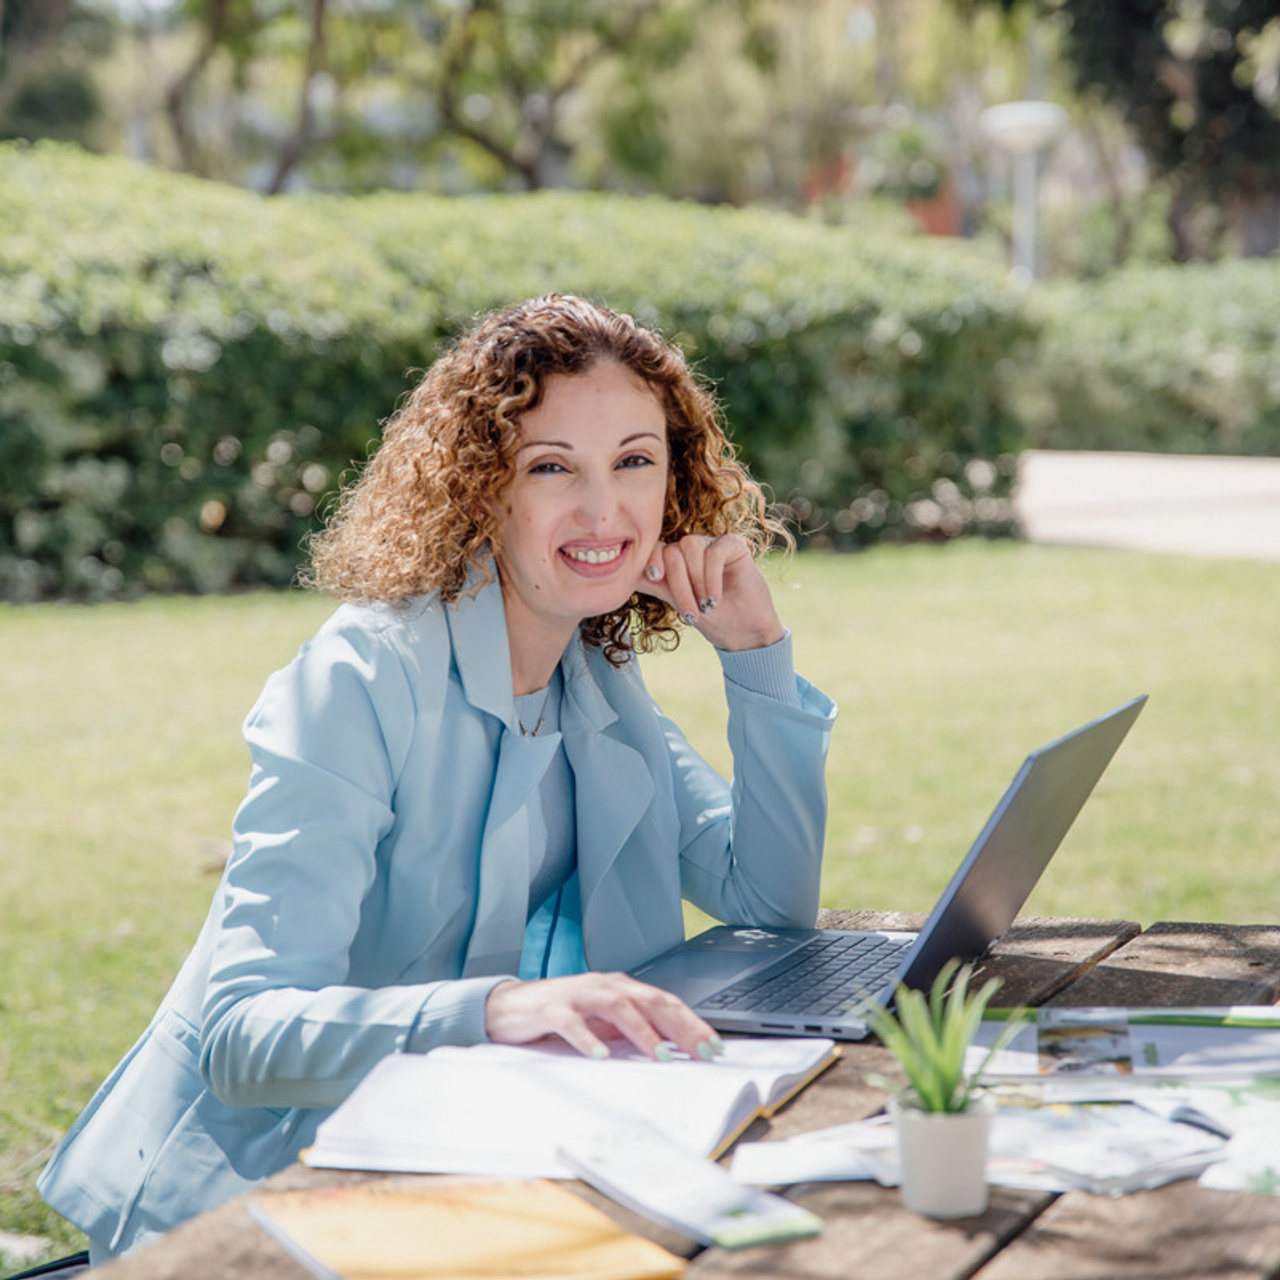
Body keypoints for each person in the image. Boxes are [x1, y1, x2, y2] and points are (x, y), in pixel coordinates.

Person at [38, 294, 837, 1262]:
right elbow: (243, 1032)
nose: (603, 510)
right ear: (480, 485)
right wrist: (501, 1009)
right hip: (249, 1212)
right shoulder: (361, 676)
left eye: (633, 460)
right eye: (551, 467)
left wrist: (756, 656)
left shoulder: (596, 677)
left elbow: (767, 899)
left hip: (447, 1177)